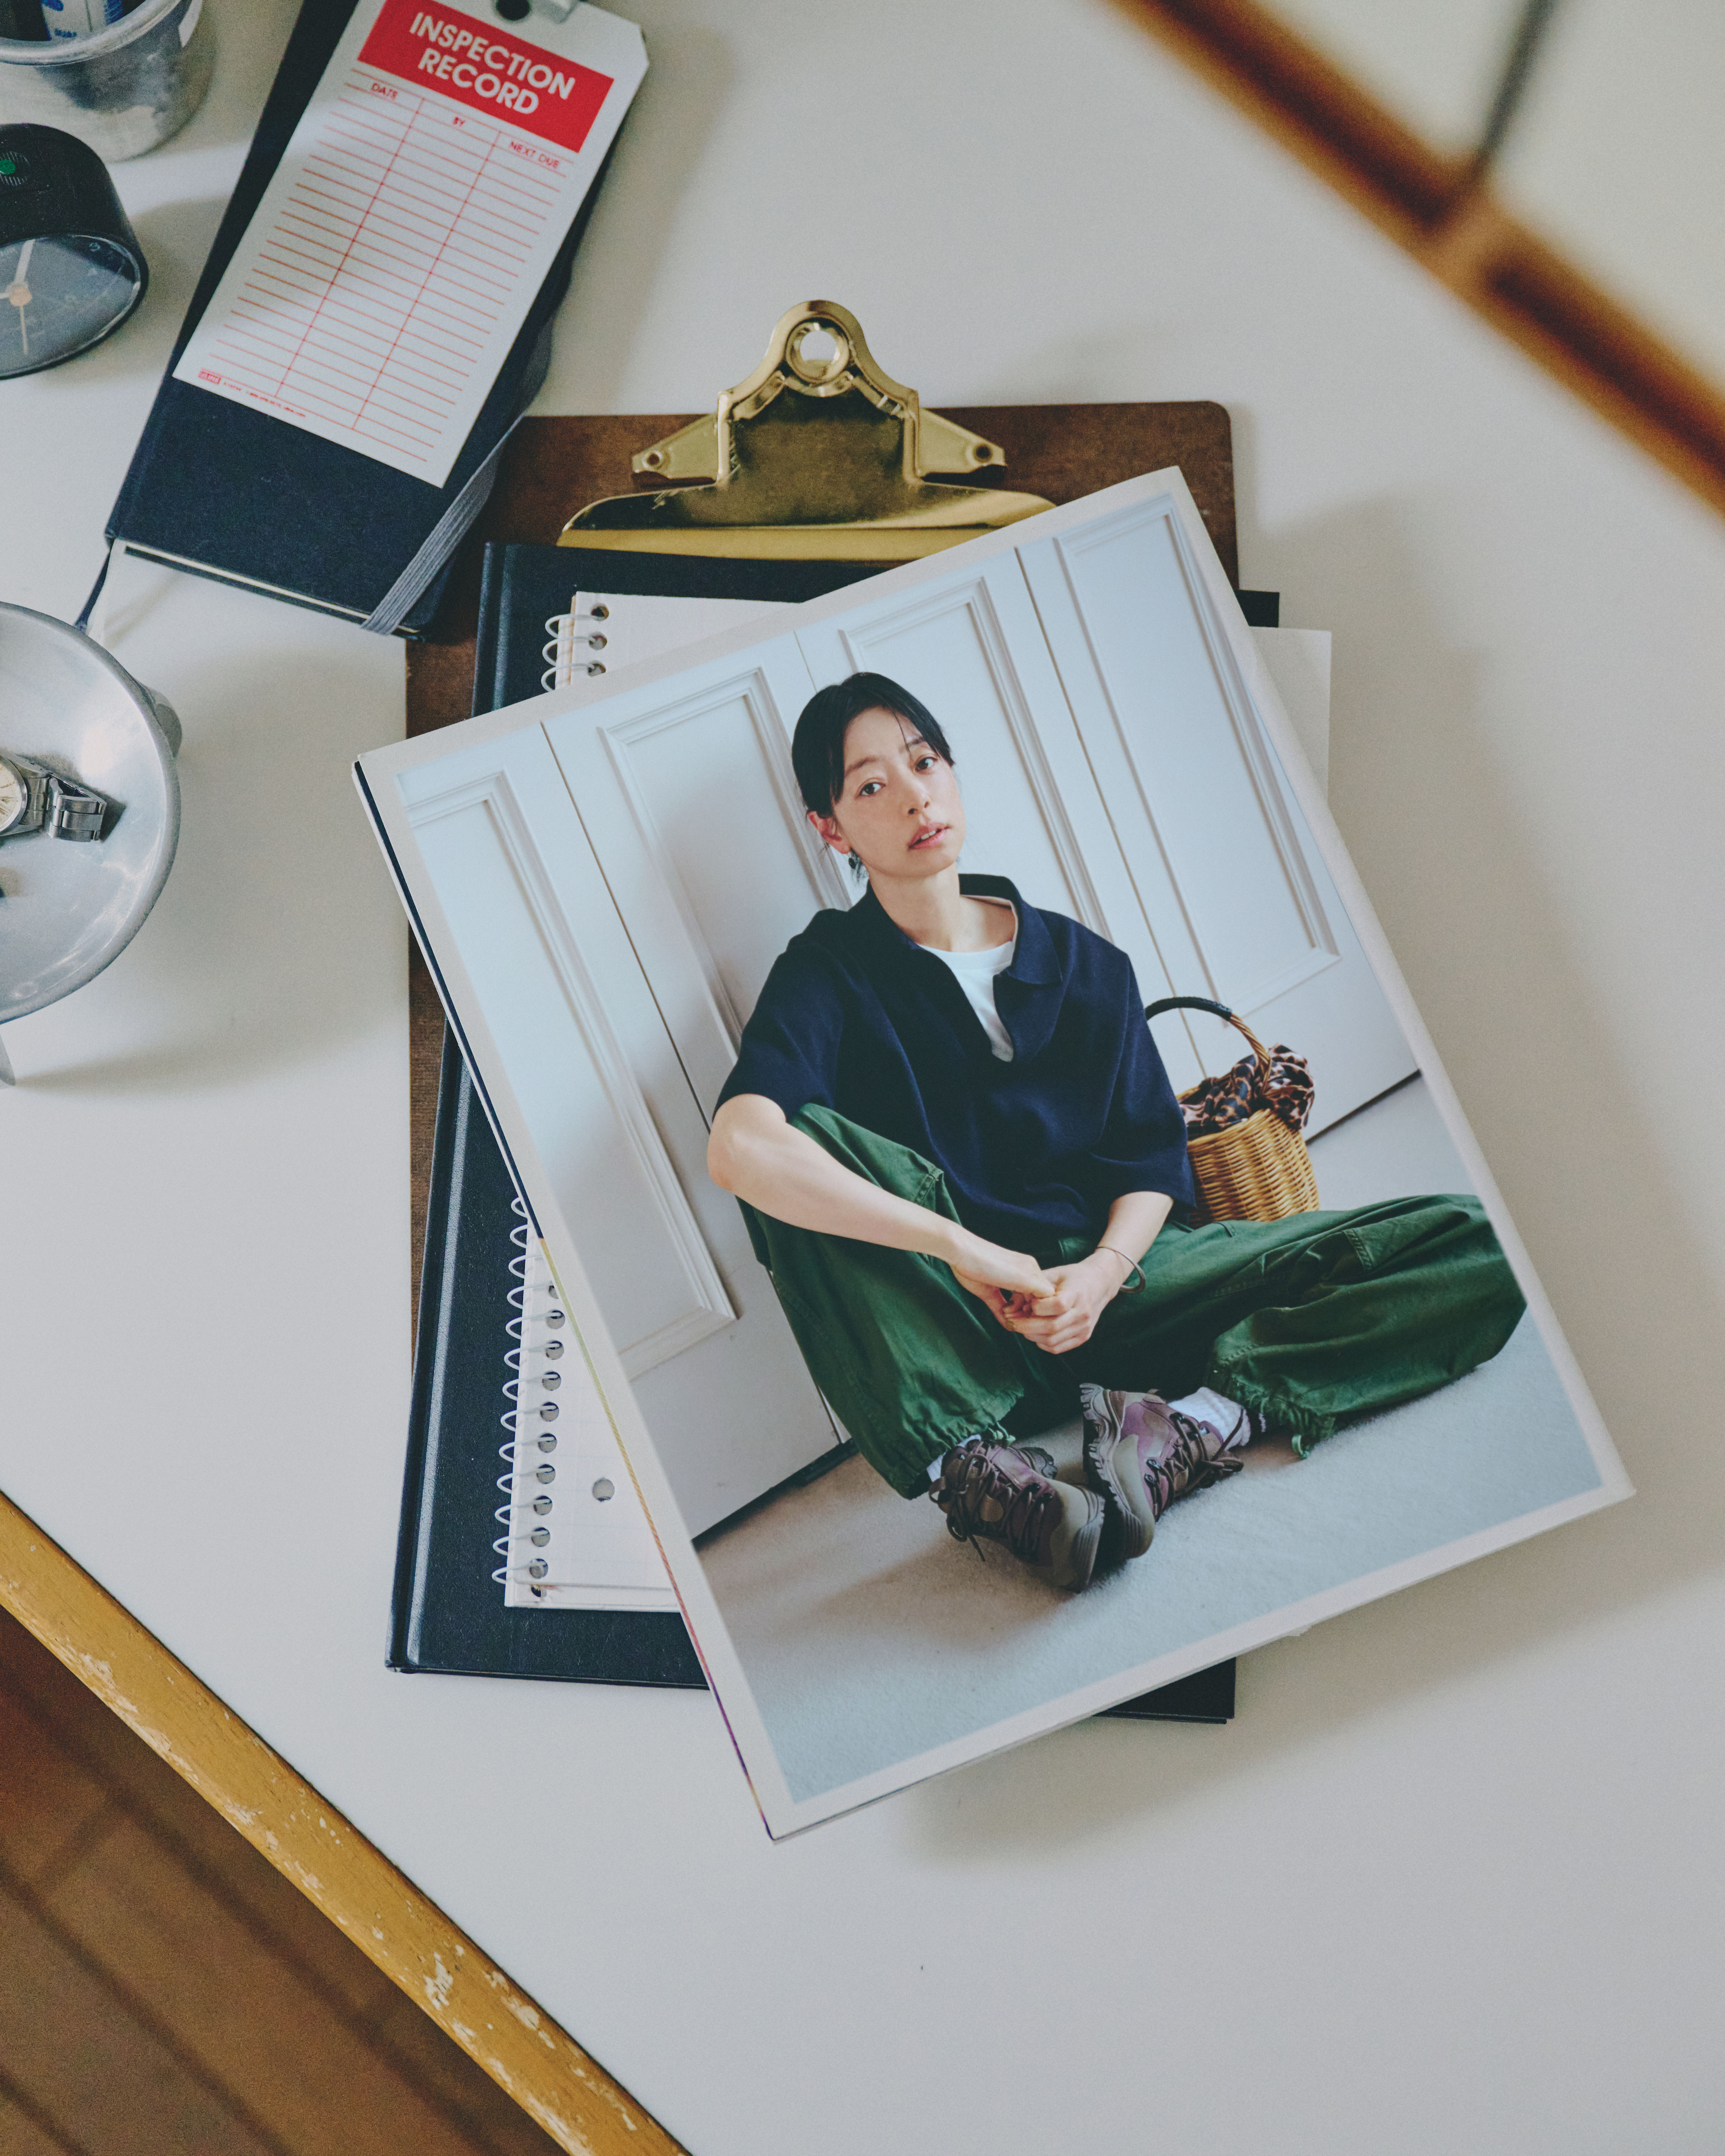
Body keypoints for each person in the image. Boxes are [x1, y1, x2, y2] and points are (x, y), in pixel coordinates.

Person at [707, 672, 1525, 1593]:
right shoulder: (827, 972)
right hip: (957, 1327)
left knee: (1479, 1240)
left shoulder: (1085, 962)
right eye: (870, 785)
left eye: (925, 762)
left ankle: (1192, 1426)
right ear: (831, 830)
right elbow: (739, 1147)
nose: (914, 797)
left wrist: (1100, 1274)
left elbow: (1148, 1159)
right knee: (792, 1144)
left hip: (1124, 1290)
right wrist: (962, 1251)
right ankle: (978, 1476)